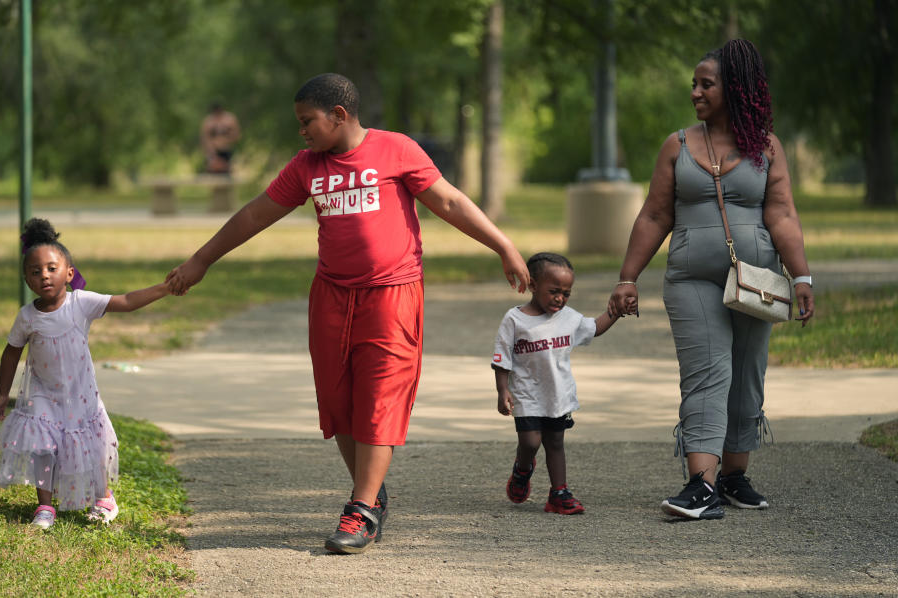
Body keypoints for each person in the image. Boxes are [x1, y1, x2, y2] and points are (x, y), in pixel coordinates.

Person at [167, 73, 529, 554]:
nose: (302, 132)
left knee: (380, 396)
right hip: (332, 297)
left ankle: (359, 510)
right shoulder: (306, 166)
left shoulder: (396, 150)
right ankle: (373, 495)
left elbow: (449, 200)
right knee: (340, 404)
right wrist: (201, 260)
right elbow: (254, 215)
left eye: (307, 121)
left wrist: (502, 245)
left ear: (339, 115)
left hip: (392, 294)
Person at [608, 39, 815, 520]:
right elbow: (654, 215)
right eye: (694, 85)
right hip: (691, 278)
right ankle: (700, 485)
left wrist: (800, 274)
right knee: (706, 373)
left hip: (757, 279)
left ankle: (733, 476)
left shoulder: (765, 148)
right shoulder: (677, 145)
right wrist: (627, 278)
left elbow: (782, 213)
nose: (696, 93)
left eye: (707, 84)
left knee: (746, 373)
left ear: (735, 89)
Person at [0, 218, 172, 529]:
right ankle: (45, 507)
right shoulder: (27, 317)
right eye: (35, 272)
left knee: (92, 446)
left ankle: (103, 498)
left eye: (51, 268)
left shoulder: (81, 303)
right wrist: (3, 393)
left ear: (69, 274)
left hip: (81, 396)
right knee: (41, 447)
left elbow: (126, 302)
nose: (44, 276)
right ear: (26, 279)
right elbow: (11, 352)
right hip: (42, 394)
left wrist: (165, 288)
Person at [493, 252, 623, 515]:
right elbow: (502, 357)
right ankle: (522, 469)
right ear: (532, 285)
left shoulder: (569, 318)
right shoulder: (515, 319)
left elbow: (595, 327)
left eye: (566, 293)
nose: (560, 298)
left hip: (558, 395)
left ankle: (559, 493)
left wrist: (616, 311)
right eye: (554, 291)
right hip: (526, 394)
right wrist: (502, 390)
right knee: (530, 442)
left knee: (555, 442)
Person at [200, 101, 241, 174]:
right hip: (213, 152)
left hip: (226, 150)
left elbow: (237, 135)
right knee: (213, 173)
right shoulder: (208, 121)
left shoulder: (230, 119)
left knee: (226, 173)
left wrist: (226, 140)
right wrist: (210, 152)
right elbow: (205, 138)